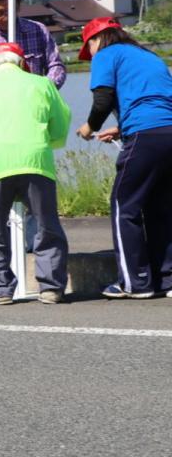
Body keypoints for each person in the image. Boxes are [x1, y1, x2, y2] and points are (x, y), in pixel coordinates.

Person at [75, 17, 172, 298]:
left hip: (145, 134)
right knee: (160, 208)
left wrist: (89, 127)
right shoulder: (148, 56)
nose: (89, 54)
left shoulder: (106, 54)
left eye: (87, 47)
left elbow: (103, 100)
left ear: (97, 39)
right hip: (167, 132)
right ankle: (166, 279)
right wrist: (120, 128)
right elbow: (157, 100)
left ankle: (135, 283)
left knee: (124, 206)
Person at [0, 43, 70, 305]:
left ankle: (1, 289)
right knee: (47, 224)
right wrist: (51, 142)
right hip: (35, 159)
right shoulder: (42, 84)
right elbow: (61, 122)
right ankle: (50, 288)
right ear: (23, 63)